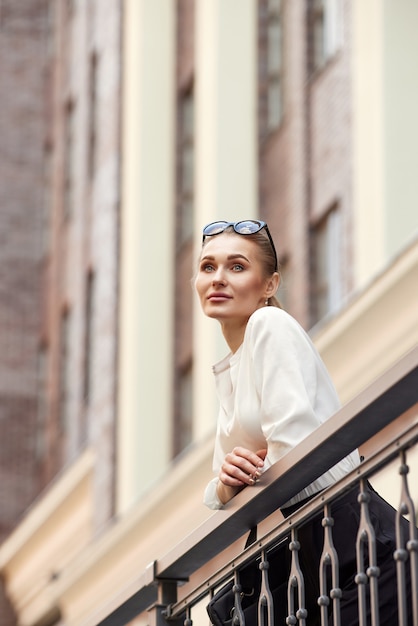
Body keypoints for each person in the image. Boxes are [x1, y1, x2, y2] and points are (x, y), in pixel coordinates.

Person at [195, 219, 414, 625]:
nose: (218, 279)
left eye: (237, 267)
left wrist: (249, 474)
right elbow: (218, 488)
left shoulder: (268, 325)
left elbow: (293, 445)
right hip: (317, 548)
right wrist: (227, 482)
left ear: (270, 284)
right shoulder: (230, 367)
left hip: (349, 537)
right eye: (208, 267)